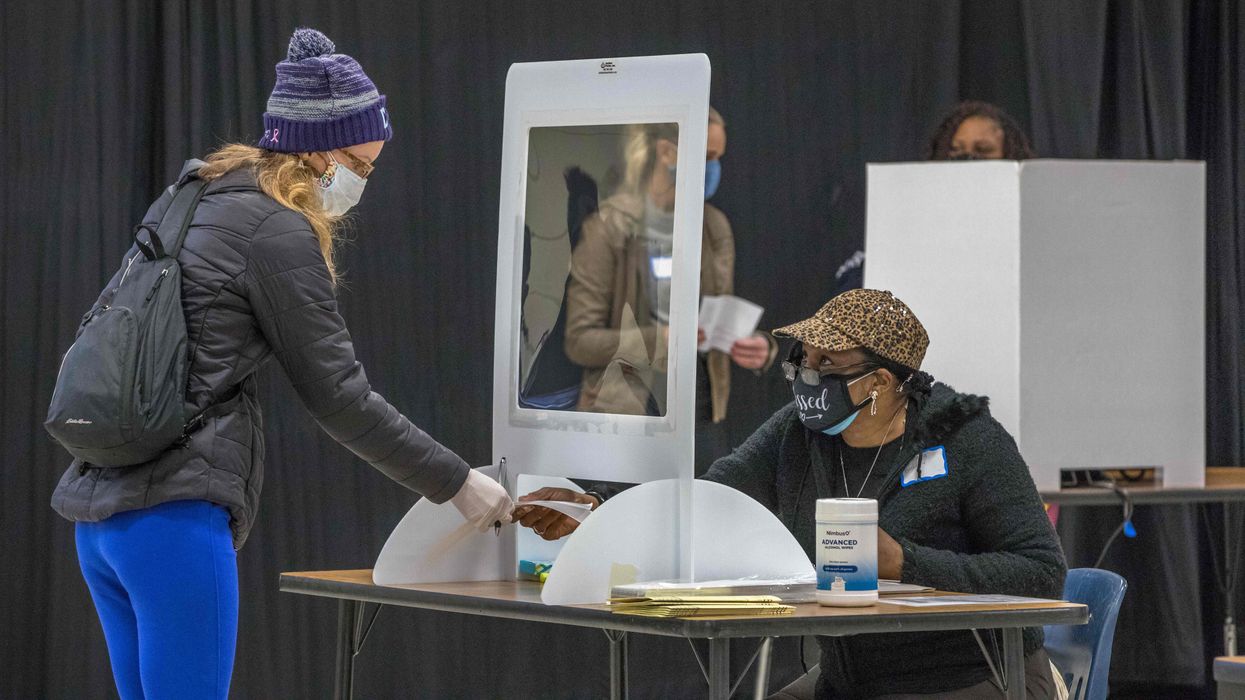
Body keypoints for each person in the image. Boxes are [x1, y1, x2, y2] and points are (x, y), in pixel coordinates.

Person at [50, 28, 511, 700]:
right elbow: (339, 397)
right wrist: (456, 483)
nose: (362, 180)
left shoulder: (195, 195)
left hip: (102, 519)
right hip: (174, 522)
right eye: (361, 163)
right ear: (318, 151)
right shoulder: (276, 230)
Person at [515, 289, 1067, 698]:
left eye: (827, 362)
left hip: (974, 677)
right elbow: (709, 498)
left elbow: (1042, 573)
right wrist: (598, 511)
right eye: (802, 358)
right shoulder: (796, 434)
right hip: (849, 680)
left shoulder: (967, 439)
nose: (807, 373)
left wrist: (905, 561)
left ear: (881, 382)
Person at [563, 108, 775, 471]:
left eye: (718, 159)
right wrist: (661, 340)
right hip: (625, 416)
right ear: (666, 152)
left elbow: (711, 319)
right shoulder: (607, 229)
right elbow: (579, 341)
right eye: (707, 158)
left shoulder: (713, 225)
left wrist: (757, 346)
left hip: (702, 415)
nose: (714, 169)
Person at [834, 100, 1035, 292]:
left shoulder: (1030, 225)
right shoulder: (913, 220)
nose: (968, 159)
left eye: (982, 150)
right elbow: (852, 286)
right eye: (955, 151)